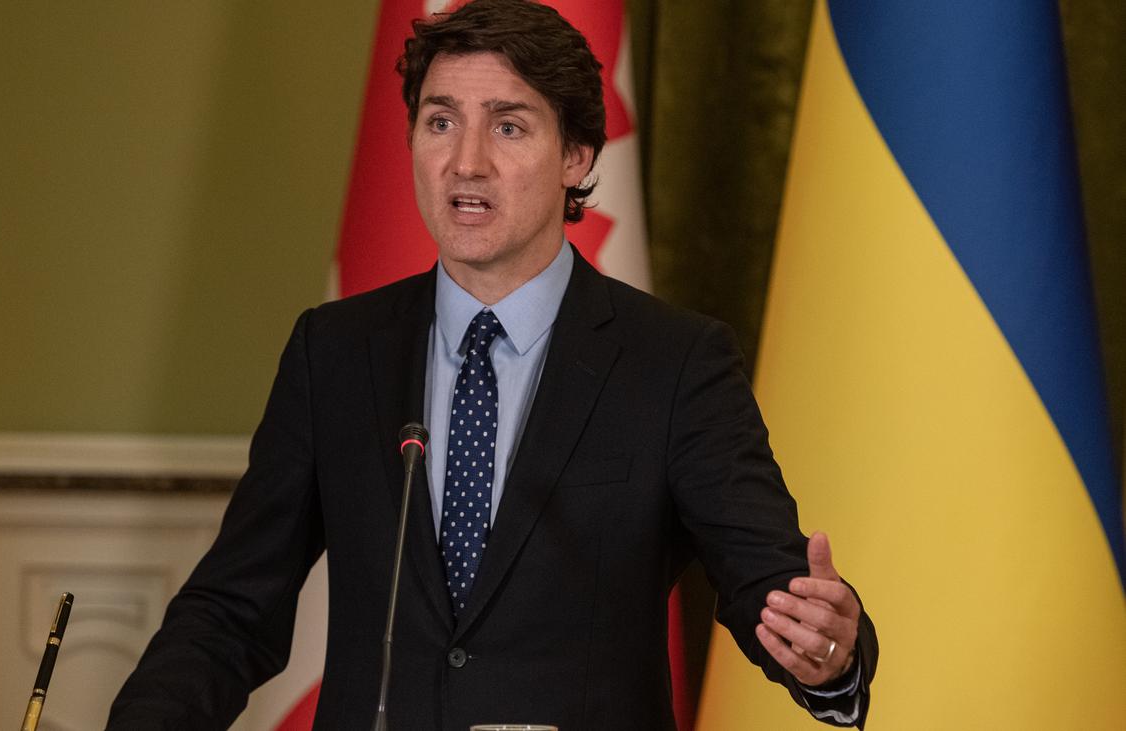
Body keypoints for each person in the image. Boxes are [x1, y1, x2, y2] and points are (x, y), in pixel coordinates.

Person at [108, 1, 877, 728]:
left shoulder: (675, 363)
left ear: (576, 155)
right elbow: (233, 609)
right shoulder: (335, 351)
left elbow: (773, 587)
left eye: (508, 126)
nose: (465, 162)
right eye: (440, 122)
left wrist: (829, 652)